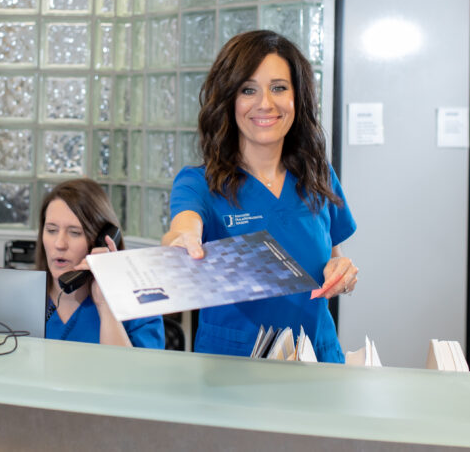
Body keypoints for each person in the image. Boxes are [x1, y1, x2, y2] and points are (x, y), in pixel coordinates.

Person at [163, 30, 358, 362]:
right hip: (232, 366)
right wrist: (180, 243)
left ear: (298, 97)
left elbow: (331, 260)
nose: (265, 103)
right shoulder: (200, 183)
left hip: (316, 357)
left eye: (279, 88)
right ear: (229, 100)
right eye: (248, 90)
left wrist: (342, 271)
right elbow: (183, 228)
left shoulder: (318, 176)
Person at [36, 178, 165, 348]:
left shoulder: (142, 305)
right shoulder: (22, 298)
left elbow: (134, 373)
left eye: (75, 233)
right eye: (51, 230)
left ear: (100, 240)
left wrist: (105, 305)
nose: (59, 244)